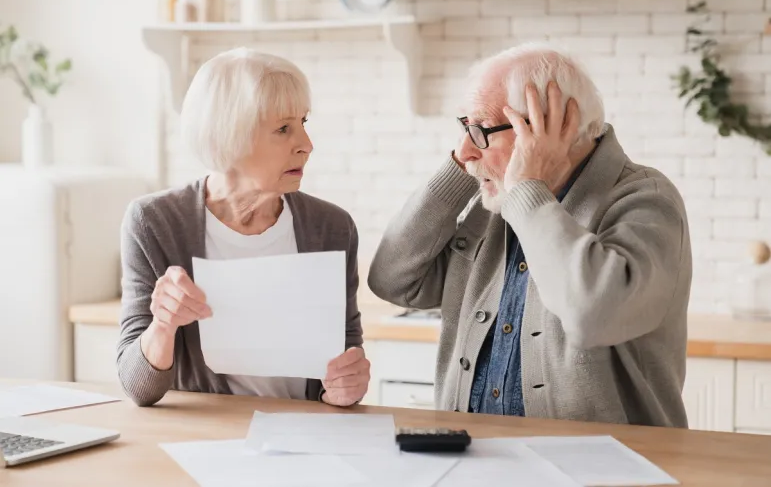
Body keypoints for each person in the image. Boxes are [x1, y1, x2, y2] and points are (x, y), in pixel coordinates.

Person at [367, 42, 692, 427]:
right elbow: (392, 280)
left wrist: (527, 191)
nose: (465, 149)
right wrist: (462, 171)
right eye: (464, 127)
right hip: (473, 460)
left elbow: (594, 315)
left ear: (554, 129)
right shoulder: (496, 205)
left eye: (481, 129)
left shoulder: (645, 199)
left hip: (598, 469)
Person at [117, 48, 370, 408]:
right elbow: (137, 388)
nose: (307, 146)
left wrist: (348, 385)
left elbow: (345, 351)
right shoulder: (153, 222)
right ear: (228, 136)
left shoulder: (332, 227)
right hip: (206, 441)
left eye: (303, 123)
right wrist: (163, 324)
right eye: (284, 129)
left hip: (308, 436)